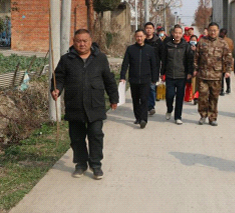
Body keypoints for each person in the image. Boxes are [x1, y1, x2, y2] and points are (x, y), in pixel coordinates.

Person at [51, 29, 119, 180]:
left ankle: (96, 165)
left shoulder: (100, 58)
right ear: (73, 42)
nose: (81, 44)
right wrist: (56, 89)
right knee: (77, 138)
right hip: (74, 105)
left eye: (84, 41)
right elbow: (59, 77)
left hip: (95, 104)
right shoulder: (66, 59)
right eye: (78, 41)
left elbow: (109, 79)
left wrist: (114, 98)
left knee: (95, 135)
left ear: (90, 41)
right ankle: (80, 164)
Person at [193, 22, 233, 126]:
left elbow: (228, 58)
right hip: (203, 75)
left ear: (218, 31)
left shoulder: (222, 43)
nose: (213, 32)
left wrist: (228, 71)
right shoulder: (202, 42)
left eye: (215, 30)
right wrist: (195, 69)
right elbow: (196, 57)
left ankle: (212, 117)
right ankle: (202, 115)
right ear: (208, 31)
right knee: (202, 97)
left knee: (214, 98)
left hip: (216, 76)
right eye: (211, 30)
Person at [120, 29, 159, 129]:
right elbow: (125, 64)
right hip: (134, 79)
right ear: (135, 37)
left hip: (146, 79)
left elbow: (154, 65)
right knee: (136, 99)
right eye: (137, 36)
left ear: (145, 37)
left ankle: (143, 119)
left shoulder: (149, 49)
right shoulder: (130, 49)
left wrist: (154, 78)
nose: (139, 38)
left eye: (141, 36)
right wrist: (122, 76)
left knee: (144, 99)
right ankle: (137, 117)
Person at [161, 25, 192, 124]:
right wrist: (162, 73)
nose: (177, 35)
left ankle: (178, 117)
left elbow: (189, 60)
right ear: (172, 33)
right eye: (176, 33)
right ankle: (169, 109)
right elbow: (164, 60)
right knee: (169, 96)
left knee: (179, 97)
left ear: (182, 34)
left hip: (181, 75)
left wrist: (189, 73)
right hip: (170, 75)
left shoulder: (186, 46)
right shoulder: (167, 45)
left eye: (179, 33)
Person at [144, 22, 163, 116]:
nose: (148, 30)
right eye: (147, 28)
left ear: (153, 29)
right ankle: (145, 106)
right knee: (144, 88)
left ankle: (151, 106)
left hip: (154, 68)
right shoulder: (142, 40)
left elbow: (161, 56)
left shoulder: (158, 41)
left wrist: (161, 70)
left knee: (151, 88)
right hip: (143, 68)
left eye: (150, 28)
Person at [219, 28, 234, 96]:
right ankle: (227, 88)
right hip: (227, 59)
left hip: (222, 60)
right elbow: (232, 49)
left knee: (223, 75)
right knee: (226, 75)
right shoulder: (230, 40)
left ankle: (223, 89)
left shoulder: (219, 40)